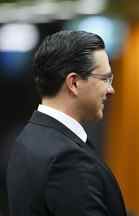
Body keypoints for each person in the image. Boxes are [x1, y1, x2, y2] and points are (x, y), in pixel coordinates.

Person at [7, 30, 127, 216]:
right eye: (105, 79)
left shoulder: (27, 138)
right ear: (74, 83)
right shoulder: (67, 158)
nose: (111, 90)